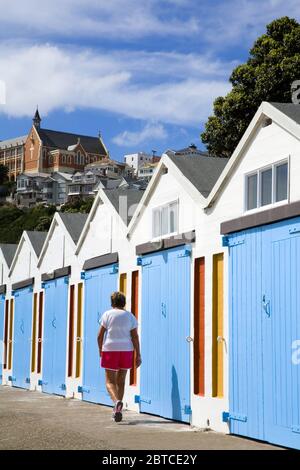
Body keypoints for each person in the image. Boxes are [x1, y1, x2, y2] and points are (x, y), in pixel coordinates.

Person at [97, 291, 142, 422]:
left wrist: (101, 349)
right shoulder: (130, 316)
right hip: (127, 350)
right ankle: (118, 409)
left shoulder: (107, 314)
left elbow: (100, 336)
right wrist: (138, 354)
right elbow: (135, 336)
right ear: (124, 302)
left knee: (109, 381)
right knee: (121, 380)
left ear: (112, 303)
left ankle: (116, 402)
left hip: (110, 349)